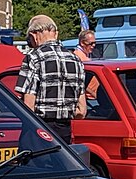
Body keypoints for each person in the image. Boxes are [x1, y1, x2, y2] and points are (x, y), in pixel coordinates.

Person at [15, 14, 86, 144]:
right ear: (56, 34)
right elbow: (82, 111)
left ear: (34, 35)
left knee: (31, 164)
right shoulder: (76, 60)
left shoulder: (33, 58)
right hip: (64, 132)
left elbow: (28, 106)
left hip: (39, 130)